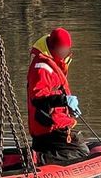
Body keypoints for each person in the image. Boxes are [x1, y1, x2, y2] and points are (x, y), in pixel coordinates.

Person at [27, 27, 90, 166]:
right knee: (82, 152)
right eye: (63, 49)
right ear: (54, 48)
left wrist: (68, 107)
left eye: (67, 49)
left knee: (81, 146)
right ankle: (39, 159)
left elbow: (55, 92)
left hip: (52, 124)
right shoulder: (42, 67)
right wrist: (64, 100)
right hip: (49, 126)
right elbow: (38, 98)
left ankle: (41, 157)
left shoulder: (55, 63)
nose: (66, 53)